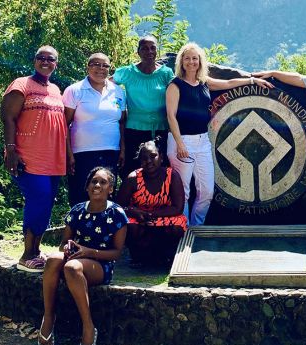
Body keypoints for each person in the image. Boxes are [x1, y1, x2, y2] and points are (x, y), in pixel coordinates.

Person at [166, 42, 273, 226]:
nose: (191, 62)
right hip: (181, 142)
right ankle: (182, 230)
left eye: (195, 58)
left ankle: (196, 227)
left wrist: (252, 80)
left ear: (200, 61)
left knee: (206, 191)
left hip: (202, 141)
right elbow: (171, 116)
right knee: (182, 191)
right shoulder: (175, 85)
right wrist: (180, 144)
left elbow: (229, 83)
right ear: (181, 61)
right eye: (187, 58)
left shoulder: (204, 82)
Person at [37, 167, 128, 345]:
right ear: (87, 187)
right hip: (77, 257)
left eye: (103, 182)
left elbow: (117, 253)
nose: (97, 185)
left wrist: (88, 252)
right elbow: (63, 244)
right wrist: (69, 248)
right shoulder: (77, 211)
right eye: (93, 181)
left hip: (101, 264)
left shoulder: (117, 214)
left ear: (110, 189)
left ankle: (88, 326)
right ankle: (48, 317)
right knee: (54, 259)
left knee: (71, 268)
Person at [1, 45, 67, 273]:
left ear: (56, 63)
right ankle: (27, 254)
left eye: (51, 59)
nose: (46, 62)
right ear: (34, 60)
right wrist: (11, 150)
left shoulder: (56, 90)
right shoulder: (21, 84)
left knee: (46, 203)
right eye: (42, 58)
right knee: (38, 199)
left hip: (53, 158)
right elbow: (8, 117)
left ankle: (36, 251)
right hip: (28, 155)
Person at [63, 53, 127, 206]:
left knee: (107, 195)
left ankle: (105, 228)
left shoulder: (118, 91)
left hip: (111, 152)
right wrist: (69, 154)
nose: (101, 69)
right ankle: (78, 229)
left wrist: (122, 150)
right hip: (82, 153)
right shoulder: (74, 90)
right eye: (96, 64)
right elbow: (64, 124)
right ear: (88, 67)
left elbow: (122, 123)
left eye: (105, 65)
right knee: (81, 195)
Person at [117, 140, 187, 267]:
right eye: (144, 159)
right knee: (129, 225)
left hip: (162, 216)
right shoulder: (132, 179)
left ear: (161, 157)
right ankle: (138, 257)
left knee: (178, 224)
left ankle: (166, 255)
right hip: (139, 218)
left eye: (153, 156)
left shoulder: (172, 176)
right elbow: (118, 207)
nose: (148, 161)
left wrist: (150, 214)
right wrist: (134, 212)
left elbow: (178, 208)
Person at [112, 35, 173, 179]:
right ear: (138, 52)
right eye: (144, 48)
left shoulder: (166, 73)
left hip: (161, 130)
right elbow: (106, 85)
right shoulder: (127, 72)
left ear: (157, 51)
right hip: (133, 131)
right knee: (133, 171)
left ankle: (157, 201)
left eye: (153, 48)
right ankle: (132, 201)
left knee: (160, 172)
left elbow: (177, 93)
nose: (149, 51)